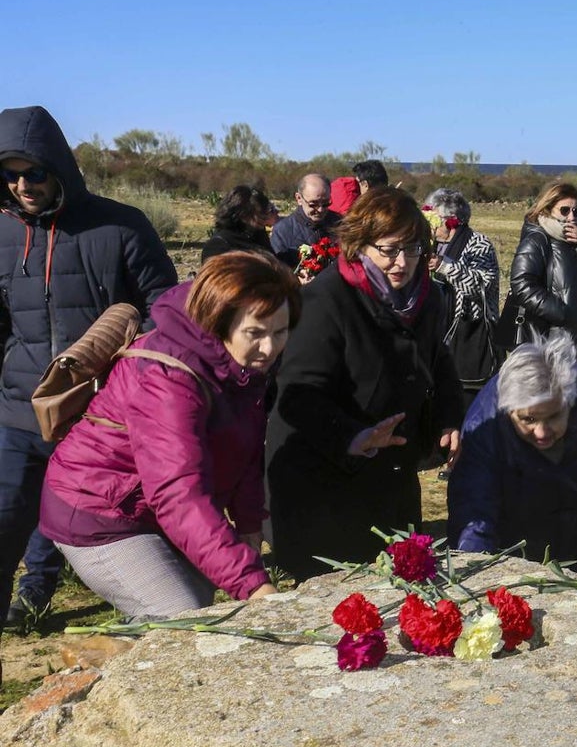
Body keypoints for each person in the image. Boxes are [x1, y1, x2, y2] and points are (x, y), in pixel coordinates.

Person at [38, 252, 296, 617]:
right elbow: (177, 493)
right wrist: (252, 584)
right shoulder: (167, 377)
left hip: (152, 505)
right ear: (220, 322)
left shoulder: (239, 362)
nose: (269, 348)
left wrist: (250, 524)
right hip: (100, 510)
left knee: (199, 599)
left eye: (280, 331)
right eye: (255, 333)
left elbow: (246, 447)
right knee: (181, 613)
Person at [0, 106, 177, 630]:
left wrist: (119, 357)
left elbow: (166, 307)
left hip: (98, 412)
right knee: (7, 513)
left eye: (33, 171)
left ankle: (36, 595)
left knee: (73, 514)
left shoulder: (120, 225)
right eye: (9, 175)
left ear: (58, 166)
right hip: (16, 407)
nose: (22, 185)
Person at [266, 187, 463, 580]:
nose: (402, 262)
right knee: (338, 606)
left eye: (412, 248)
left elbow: (437, 360)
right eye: (388, 250)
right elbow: (297, 395)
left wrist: (449, 417)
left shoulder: (426, 298)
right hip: (322, 483)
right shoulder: (327, 302)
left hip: (391, 476)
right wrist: (354, 438)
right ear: (358, 245)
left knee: (400, 593)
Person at [448, 329, 577, 564]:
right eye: (528, 419)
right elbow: (474, 509)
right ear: (508, 410)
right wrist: (476, 568)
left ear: (569, 399)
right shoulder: (484, 424)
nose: (542, 432)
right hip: (522, 551)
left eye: (554, 416)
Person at [503, 182, 577, 370]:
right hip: (555, 344)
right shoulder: (538, 240)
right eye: (564, 210)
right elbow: (521, 283)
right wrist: (561, 312)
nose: (571, 217)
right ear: (548, 210)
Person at [425, 188, 501, 408]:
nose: (429, 224)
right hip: (437, 334)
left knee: (465, 403)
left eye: (433, 218)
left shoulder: (479, 245)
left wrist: (445, 266)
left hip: (469, 335)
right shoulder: (429, 243)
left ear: (452, 221)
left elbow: (482, 288)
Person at [270, 174, 342, 269]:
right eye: (313, 204)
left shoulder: (341, 223)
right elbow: (278, 270)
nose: (320, 209)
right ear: (299, 198)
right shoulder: (282, 231)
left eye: (325, 203)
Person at [200, 185, 278, 262]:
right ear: (243, 214)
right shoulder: (218, 245)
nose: (265, 219)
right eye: (260, 215)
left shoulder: (258, 234)